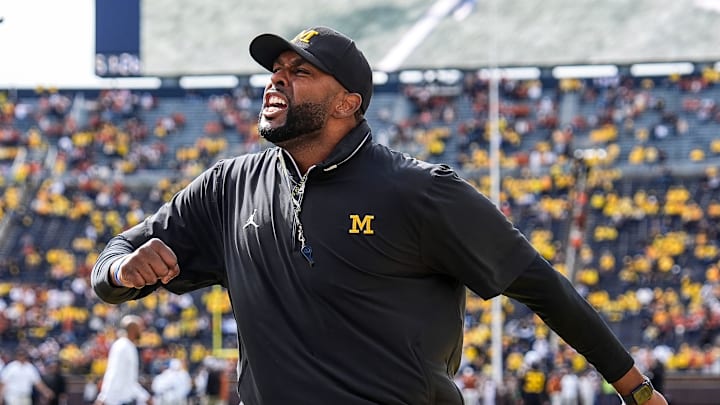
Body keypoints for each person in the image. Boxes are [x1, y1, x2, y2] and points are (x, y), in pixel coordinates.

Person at [91, 25, 668, 405]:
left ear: (348, 103)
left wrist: (635, 389)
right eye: (277, 69)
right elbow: (112, 261)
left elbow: (540, 284)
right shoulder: (229, 186)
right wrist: (121, 272)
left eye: (300, 72)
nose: (276, 80)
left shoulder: (418, 192)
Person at [94, 314, 151, 405]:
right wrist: (103, 397)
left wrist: (145, 396)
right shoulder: (122, 346)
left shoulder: (129, 346)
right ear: (133, 329)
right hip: (117, 400)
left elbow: (130, 380)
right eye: (140, 328)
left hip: (125, 399)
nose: (142, 331)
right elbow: (113, 372)